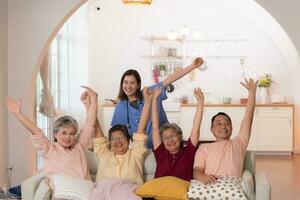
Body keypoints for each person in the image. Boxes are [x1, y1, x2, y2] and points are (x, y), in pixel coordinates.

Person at [6, 86, 98, 189]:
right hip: (64, 194)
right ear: (55, 134)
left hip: (86, 192)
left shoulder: (79, 146)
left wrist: (94, 101)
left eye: (72, 134)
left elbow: (90, 124)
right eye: (64, 133)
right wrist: (18, 114)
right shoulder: (50, 149)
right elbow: (36, 131)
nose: (68, 137)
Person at [111, 57, 204, 148]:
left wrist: (193, 66)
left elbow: (171, 79)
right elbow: (117, 133)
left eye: (132, 83)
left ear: (138, 84)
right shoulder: (121, 107)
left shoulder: (149, 92)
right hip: (140, 150)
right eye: (125, 82)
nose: (128, 86)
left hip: (164, 146)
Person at [193, 79, 257, 185]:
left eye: (227, 123)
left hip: (232, 188)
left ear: (232, 128)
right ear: (212, 129)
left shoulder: (239, 142)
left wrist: (252, 92)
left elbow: (248, 115)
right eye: (218, 123)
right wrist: (203, 177)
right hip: (210, 185)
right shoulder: (204, 148)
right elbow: (196, 171)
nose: (223, 126)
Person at [92, 87, 152, 185]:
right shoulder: (104, 153)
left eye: (121, 138)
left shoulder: (136, 154)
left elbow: (142, 128)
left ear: (129, 141)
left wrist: (148, 101)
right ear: (109, 142)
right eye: (114, 139)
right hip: (104, 193)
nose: (118, 141)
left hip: (129, 193)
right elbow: (96, 129)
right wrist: (90, 104)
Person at [151, 87, 204, 181]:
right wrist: (154, 100)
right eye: (165, 138)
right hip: (159, 192)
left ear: (179, 136)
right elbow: (155, 127)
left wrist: (200, 103)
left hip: (180, 193)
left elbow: (196, 128)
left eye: (172, 136)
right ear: (162, 141)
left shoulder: (188, 152)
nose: (170, 140)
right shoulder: (161, 153)